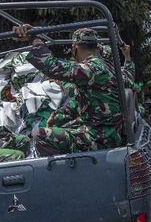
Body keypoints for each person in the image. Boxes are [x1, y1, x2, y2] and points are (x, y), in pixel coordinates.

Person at [12, 25, 126, 156]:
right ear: (96, 47)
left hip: (100, 137)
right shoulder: (104, 67)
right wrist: (55, 118)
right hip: (106, 132)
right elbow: (81, 103)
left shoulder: (94, 68)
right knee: (57, 127)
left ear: (74, 47)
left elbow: (52, 66)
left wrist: (35, 39)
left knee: (40, 135)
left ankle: (62, 174)